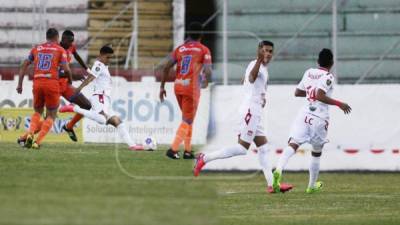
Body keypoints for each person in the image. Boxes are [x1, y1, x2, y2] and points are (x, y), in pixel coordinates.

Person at [193, 41, 293, 193]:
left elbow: (245, 81)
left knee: (264, 148)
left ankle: (272, 185)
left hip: (255, 111)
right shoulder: (257, 65)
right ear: (259, 51)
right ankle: (204, 158)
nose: (268, 54)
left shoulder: (258, 66)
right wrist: (258, 64)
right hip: (251, 111)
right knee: (241, 148)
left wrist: (260, 97)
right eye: (265, 50)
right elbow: (252, 78)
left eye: (270, 51)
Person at [273, 48, 352, 193]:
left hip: (304, 114)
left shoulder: (309, 72)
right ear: (332, 63)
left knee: (293, 144)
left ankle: (278, 169)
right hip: (319, 118)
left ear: (318, 61)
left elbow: (297, 92)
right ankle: (311, 186)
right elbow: (319, 95)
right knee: (316, 152)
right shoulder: (328, 76)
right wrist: (340, 104)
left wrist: (310, 94)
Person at [58, 45, 136, 150]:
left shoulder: (102, 66)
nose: (109, 60)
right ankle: (73, 108)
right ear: (101, 55)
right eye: (107, 57)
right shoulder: (99, 64)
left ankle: (133, 145)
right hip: (100, 97)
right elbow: (91, 77)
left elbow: (92, 76)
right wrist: (80, 88)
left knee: (117, 122)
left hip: (105, 99)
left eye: (111, 58)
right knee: (102, 120)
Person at [160, 22, 212, 159]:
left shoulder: (180, 49)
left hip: (178, 86)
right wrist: (206, 81)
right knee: (187, 120)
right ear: (201, 35)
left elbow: (165, 67)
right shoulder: (203, 50)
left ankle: (188, 151)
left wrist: (161, 87)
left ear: (188, 34)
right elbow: (208, 70)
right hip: (192, 88)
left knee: (188, 119)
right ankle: (173, 149)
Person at [16, 28, 71, 149]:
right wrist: (70, 80)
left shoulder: (36, 49)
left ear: (47, 37)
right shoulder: (60, 50)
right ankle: (37, 142)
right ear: (57, 38)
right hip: (51, 83)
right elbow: (66, 70)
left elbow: (24, 65)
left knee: (37, 112)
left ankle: (29, 134)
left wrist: (19, 84)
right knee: (51, 115)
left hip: (37, 82)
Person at [58, 30, 92, 142]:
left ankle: (69, 126)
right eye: (70, 41)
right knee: (48, 113)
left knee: (87, 106)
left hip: (66, 85)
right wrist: (72, 75)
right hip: (54, 85)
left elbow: (77, 56)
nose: (71, 43)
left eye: (73, 41)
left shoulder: (70, 47)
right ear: (63, 39)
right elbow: (54, 72)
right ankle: (29, 136)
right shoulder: (56, 50)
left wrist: (87, 69)